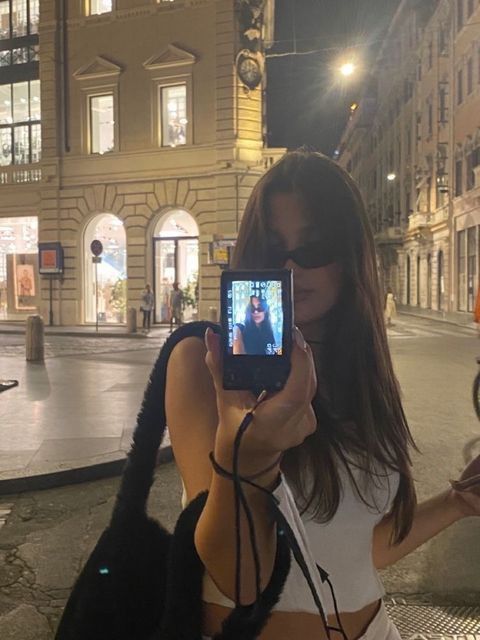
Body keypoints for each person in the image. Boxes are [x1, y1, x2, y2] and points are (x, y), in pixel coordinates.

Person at [165, 151, 480, 640]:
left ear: (350, 254)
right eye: (273, 251)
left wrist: (458, 503)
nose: (291, 266)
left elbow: (358, 551)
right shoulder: (204, 365)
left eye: (313, 248)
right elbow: (242, 581)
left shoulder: (360, 369)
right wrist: (247, 456)